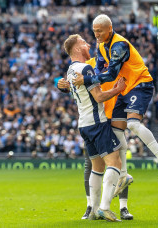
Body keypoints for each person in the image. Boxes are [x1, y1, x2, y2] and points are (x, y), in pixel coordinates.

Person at [73, 14, 158, 183]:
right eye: (94, 31)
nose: (96, 34)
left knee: (133, 124)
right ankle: (123, 176)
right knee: (116, 131)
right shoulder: (101, 45)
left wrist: (87, 80)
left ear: (109, 29)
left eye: (100, 31)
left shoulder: (119, 45)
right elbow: (98, 69)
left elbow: (111, 74)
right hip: (124, 88)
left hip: (139, 84)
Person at [58, 56, 134, 220]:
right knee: (110, 164)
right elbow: (82, 89)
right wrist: (63, 86)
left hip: (106, 116)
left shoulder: (115, 56)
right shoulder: (88, 65)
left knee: (115, 161)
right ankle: (95, 207)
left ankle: (122, 207)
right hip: (98, 119)